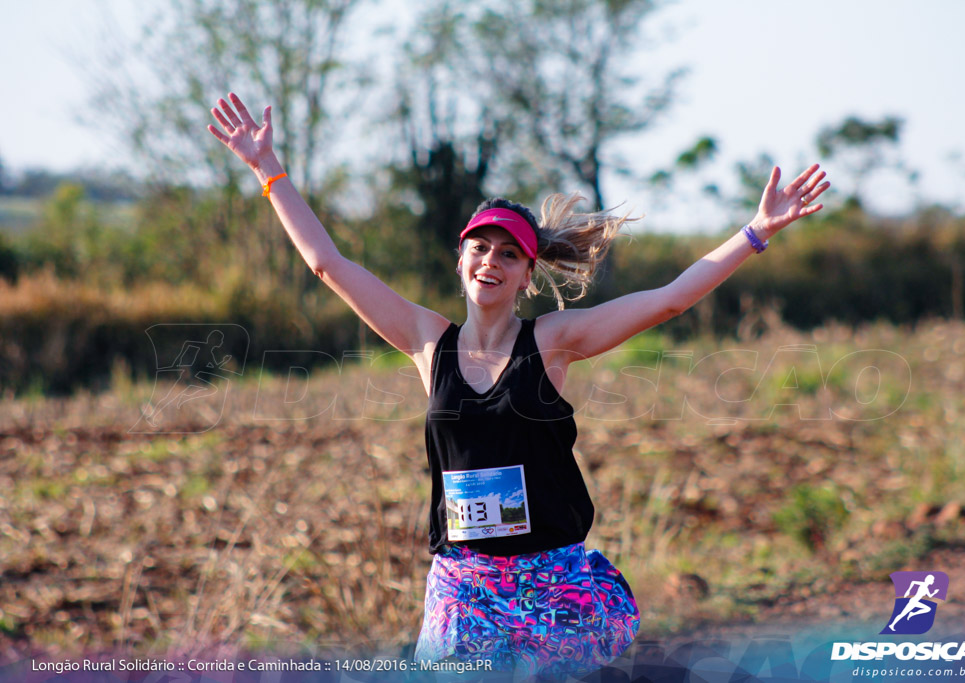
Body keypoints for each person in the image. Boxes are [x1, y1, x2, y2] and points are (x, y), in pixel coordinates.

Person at [208, 92, 829, 677]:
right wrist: (270, 173)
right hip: (464, 585)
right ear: (460, 260)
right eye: (480, 248)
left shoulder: (553, 342)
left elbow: (667, 301)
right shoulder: (429, 340)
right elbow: (327, 264)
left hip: (549, 582)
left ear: (528, 274)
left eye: (508, 254)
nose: (491, 262)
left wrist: (756, 233)